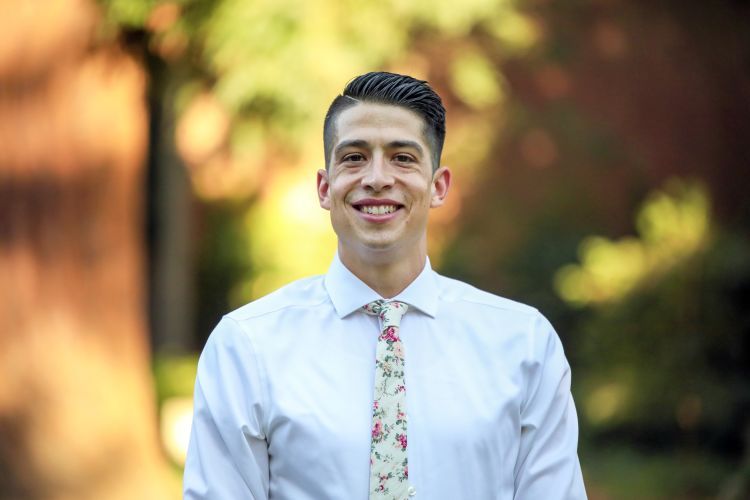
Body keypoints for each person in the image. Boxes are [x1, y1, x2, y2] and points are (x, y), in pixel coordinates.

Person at [183, 72, 587, 499]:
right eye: (354, 157)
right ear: (325, 187)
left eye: (403, 158)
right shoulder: (246, 346)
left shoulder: (524, 345)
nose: (376, 178)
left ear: (438, 186)